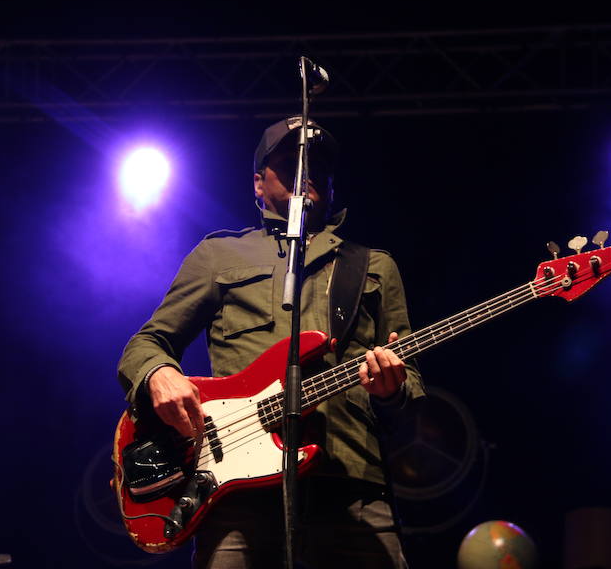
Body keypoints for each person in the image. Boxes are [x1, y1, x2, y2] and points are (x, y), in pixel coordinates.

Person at [117, 116, 426, 568]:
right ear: (259, 183)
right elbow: (147, 342)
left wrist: (393, 388)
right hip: (236, 495)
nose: (308, 170)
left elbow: (411, 384)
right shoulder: (219, 255)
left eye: (318, 162)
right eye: (290, 161)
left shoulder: (374, 265)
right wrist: (158, 373)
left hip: (351, 488)